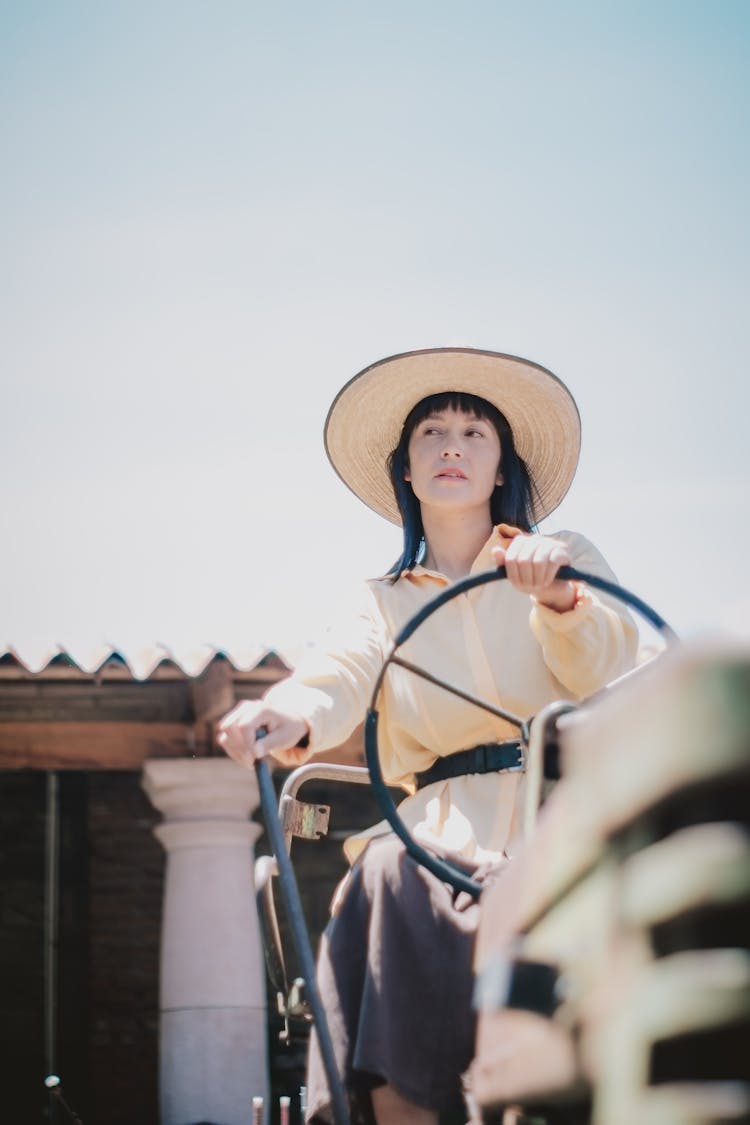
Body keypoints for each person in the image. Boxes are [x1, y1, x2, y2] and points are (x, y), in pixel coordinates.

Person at [218, 348, 638, 1125]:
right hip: (434, 836)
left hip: (560, 819)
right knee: (385, 868)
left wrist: (560, 599)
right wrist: (287, 712)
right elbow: (338, 672)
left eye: (475, 432)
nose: (452, 446)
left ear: (502, 464)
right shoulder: (379, 603)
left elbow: (606, 660)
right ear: (406, 470)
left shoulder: (561, 557)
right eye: (432, 432)